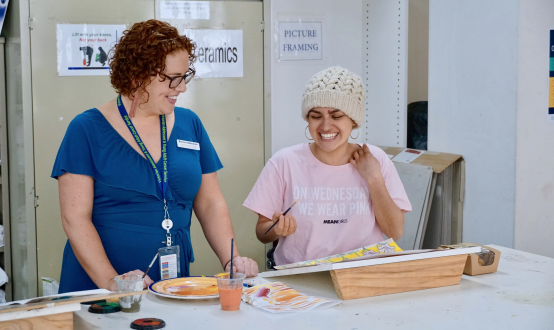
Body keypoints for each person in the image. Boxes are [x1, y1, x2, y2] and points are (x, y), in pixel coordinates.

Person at [52, 19, 258, 293]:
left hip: (169, 285)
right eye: (173, 78)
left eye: (185, 76)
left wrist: (231, 259)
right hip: (103, 289)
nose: (182, 87)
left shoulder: (190, 124)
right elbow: (75, 218)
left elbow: (210, 202)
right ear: (138, 75)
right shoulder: (86, 129)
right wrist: (112, 281)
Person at [243, 66, 412, 266]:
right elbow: (262, 232)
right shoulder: (284, 162)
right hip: (301, 280)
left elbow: (395, 232)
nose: (325, 126)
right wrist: (276, 229)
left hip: (362, 277)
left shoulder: (376, 159)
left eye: (336, 116)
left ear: (353, 120)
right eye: (316, 116)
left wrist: (374, 178)